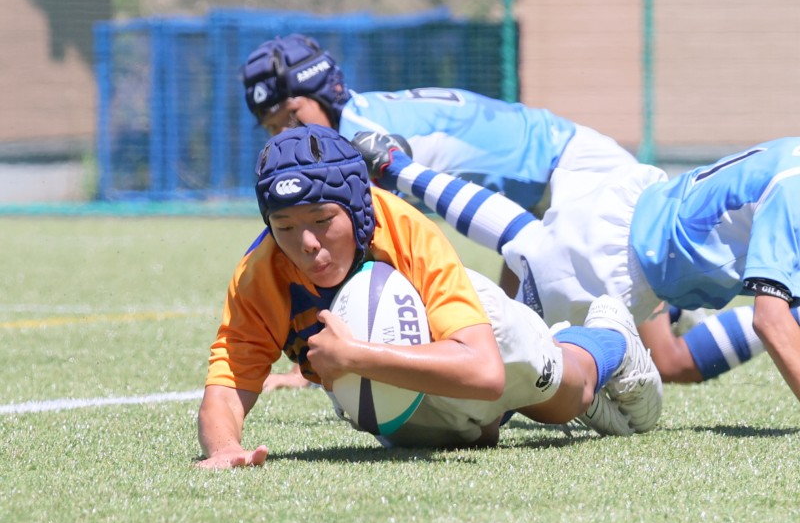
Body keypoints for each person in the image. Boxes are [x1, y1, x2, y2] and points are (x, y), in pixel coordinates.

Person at [240, 32, 764, 387]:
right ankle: (691, 308)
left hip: (579, 183)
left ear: (324, 93)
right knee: (523, 334)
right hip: (546, 195)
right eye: (272, 127)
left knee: (661, 359)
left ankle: (781, 313)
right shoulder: (361, 117)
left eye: (292, 115)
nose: (286, 135)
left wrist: (338, 350)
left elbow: (382, 254)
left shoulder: (360, 138)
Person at [195, 125, 663, 469]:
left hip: (474, 335)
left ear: (358, 210)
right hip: (395, 377)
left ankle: (609, 338)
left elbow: (484, 373)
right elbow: (226, 389)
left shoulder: (404, 230)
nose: (307, 243)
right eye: (285, 227)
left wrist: (354, 356)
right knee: (473, 437)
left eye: (322, 220)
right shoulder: (260, 274)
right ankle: (493, 414)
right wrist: (225, 448)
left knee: (567, 399)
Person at [352, 133, 800, 403]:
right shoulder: (792, 189)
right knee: (509, 369)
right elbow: (770, 319)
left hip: (629, 213)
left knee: (525, 240)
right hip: (617, 263)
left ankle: (398, 168)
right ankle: (394, 360)